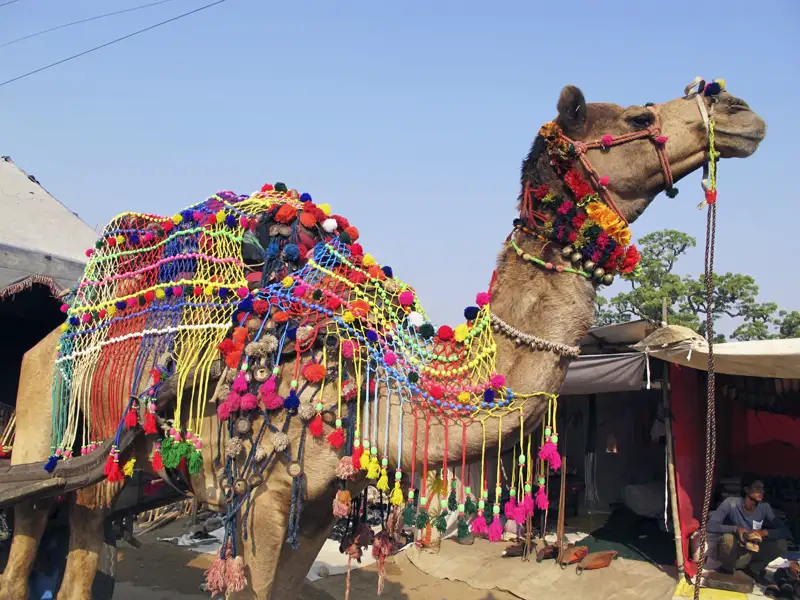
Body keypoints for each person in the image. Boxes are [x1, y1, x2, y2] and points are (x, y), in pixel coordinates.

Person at [708, 475, 791, 582]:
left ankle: (753, 569)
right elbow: (711, 525)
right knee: (728, 538)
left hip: (751, 554)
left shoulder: (764, 508)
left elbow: (785, 531)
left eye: (762, 488)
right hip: (733, 554)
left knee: (781, 544)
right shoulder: (731, 503)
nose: (762, 491)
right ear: (746, 489)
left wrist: (764, 533)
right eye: (757, 488)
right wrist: (736, 529)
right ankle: (727, 569)